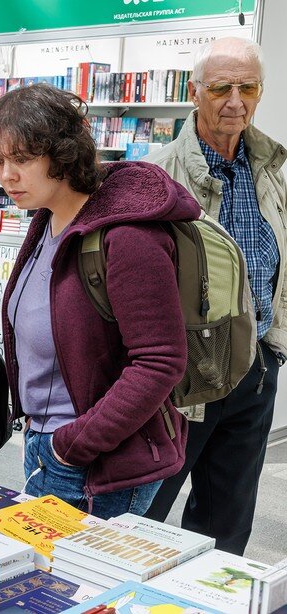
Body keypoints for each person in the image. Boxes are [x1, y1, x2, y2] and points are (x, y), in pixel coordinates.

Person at [0, 83, 200, 518]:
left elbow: (160, 360)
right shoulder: (46, 218)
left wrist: (72, 445)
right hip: (49, 443)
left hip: (98, 461)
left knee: (79, 584)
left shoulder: (127, 235)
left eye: (21, 159)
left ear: (63, 152)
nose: (6, 175)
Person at [143, 37, 286, 554]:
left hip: (256, 368)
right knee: (147, 512)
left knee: (227, 524)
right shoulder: (157, 176)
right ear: (195, 91)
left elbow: (279, 265)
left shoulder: (271, 170)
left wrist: (277, 343)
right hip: (181, 378)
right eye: (222, 87)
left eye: (247, 87)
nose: (235, 100)